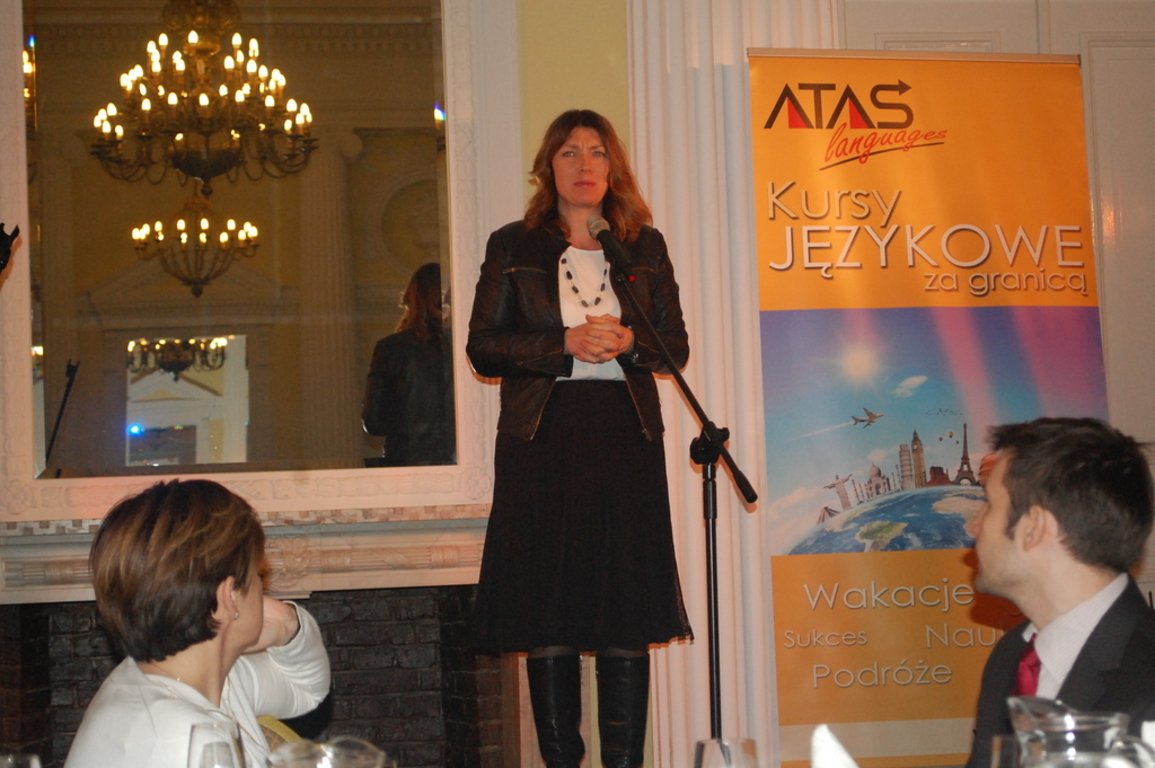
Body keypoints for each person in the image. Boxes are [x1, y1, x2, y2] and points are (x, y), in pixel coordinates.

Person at [466, 108, 692, 768]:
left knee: (625, 612)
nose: (584, 164)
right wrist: (561, 343)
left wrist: (630, 341)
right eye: (569, 152)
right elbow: (484, 347)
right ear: (549, 167)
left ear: (612, 167)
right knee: (550, 613)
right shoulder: (512, 245)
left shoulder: (642, 247)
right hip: (543, 440)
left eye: (596, 152)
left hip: (625, 438)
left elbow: (674, 344)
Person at [65, 479, 331, 768]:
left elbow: (306, 689)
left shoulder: (183, 675)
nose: (264, 588)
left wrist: (287, 623)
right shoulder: (184, 740)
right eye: (258, 574)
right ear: (229, 596)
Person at [965, 417, 1155, 768]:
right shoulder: (1011, 656)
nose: (973, 525)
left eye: (988, 504)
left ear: (1033, 528)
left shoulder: (1146, 674)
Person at [362, 262, 456, 466]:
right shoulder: (461, 347)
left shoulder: (390, 348)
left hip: (404, 462)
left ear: (412, 300)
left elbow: (374, 422)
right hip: (458, 461)